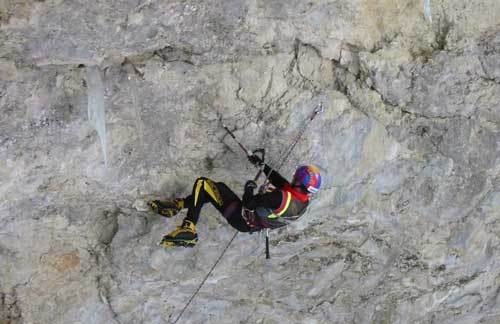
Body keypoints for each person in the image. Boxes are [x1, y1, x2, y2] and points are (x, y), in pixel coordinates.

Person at [148, 156, 322, 247]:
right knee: (216, 189)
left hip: (241, 215)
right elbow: (278, 180)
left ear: (298, 181)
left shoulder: (279, 197)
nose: (292, 177)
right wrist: (261, 165)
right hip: (250, 223)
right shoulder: (302, 201)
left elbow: (249, 203)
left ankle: (189, 229)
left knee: (202, 184)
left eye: (295, 176)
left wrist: (249, 187)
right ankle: (177, 206)